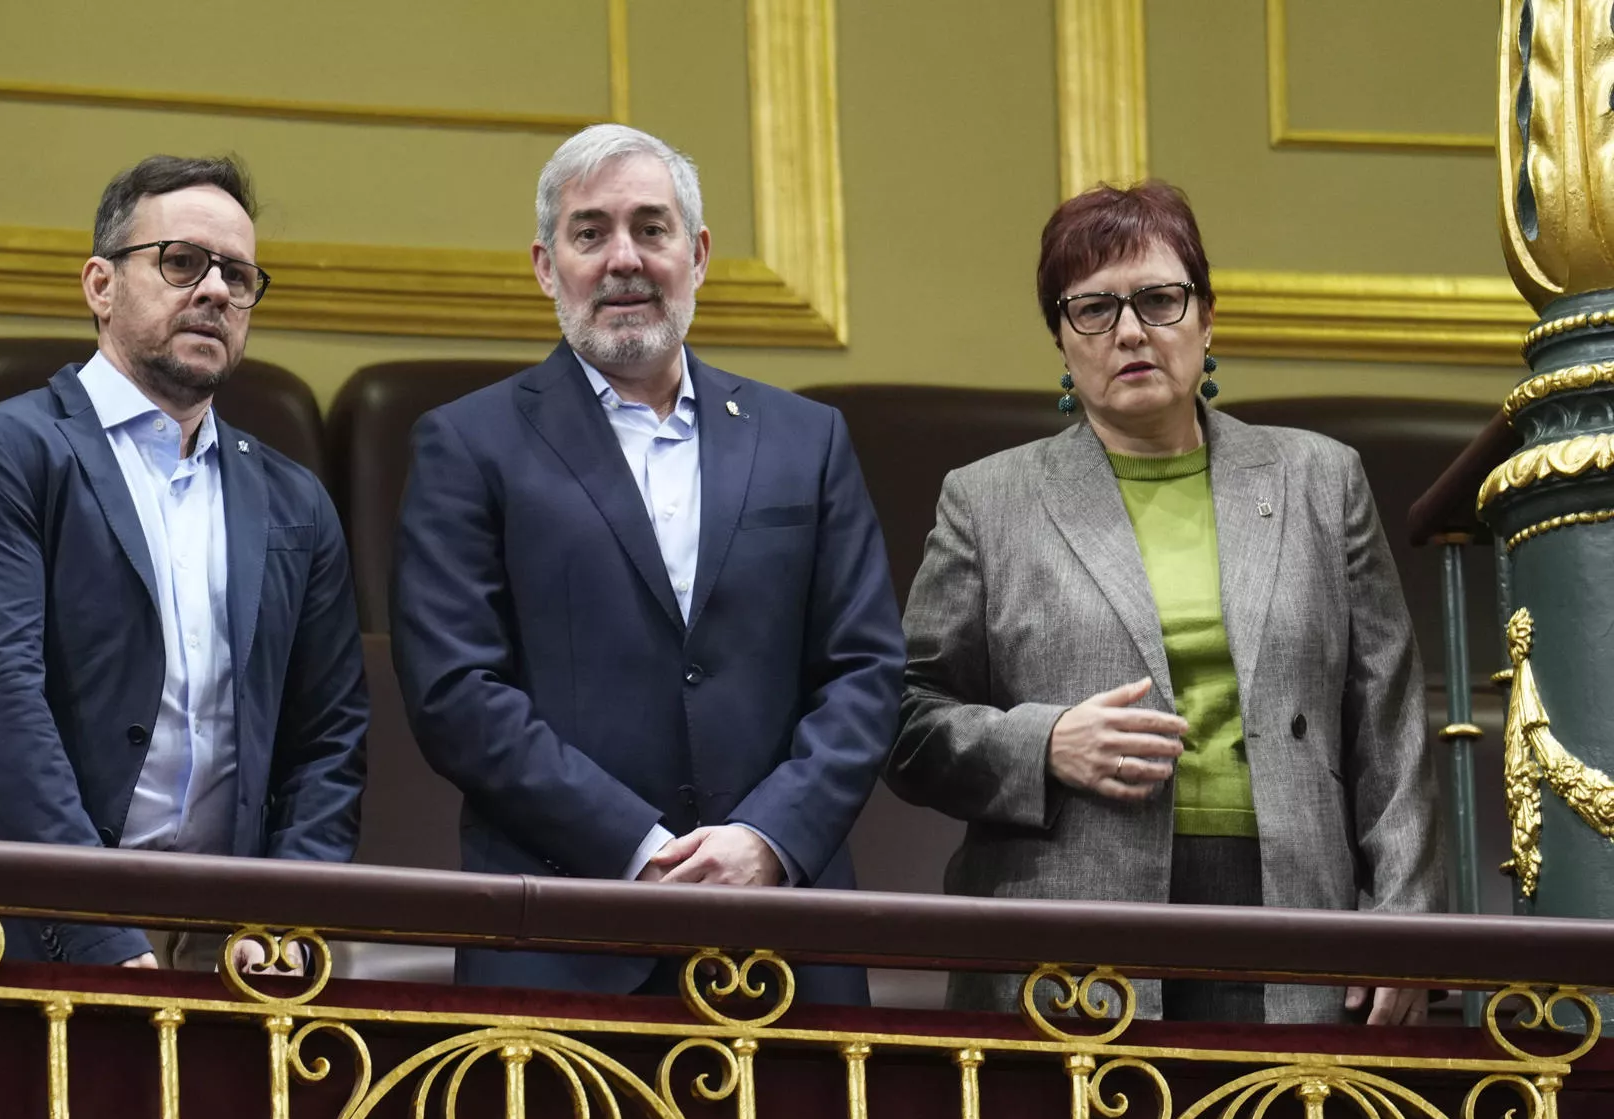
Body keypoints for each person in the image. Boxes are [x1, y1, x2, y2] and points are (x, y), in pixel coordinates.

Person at [886, 181, 1442, 1025]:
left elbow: (1389, 721)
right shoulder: (986, 500)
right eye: (1094, 310)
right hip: (1069, 925)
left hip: (1292, 909)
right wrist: (1044, 743)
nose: (1132, 331)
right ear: (1062, 341)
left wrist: (1404, 922)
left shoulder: (1321, 480)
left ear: (1207, 318)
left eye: (1159, 299)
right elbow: (906, 719)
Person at [393, 124, 904, 1002]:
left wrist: (768, 838)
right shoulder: (466, 444)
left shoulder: (806, 441)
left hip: (783, 941)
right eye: (590, 233)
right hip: (562, 937)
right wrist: (640, 849)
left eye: (651, 229)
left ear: (698, 255)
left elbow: (865, 671)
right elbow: (457, 693)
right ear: (546, 267)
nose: (622, 258)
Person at [0, 155, 368, 972]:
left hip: (231, 948)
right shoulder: (3, 453)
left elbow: (329, 738)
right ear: (100, 285)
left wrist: (290, 921)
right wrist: (98, 931)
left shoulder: (296, 500)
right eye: (182, 262)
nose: (218, 292)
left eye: (238, 274)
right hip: (23, 933)